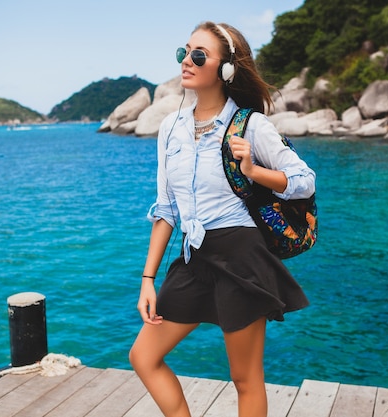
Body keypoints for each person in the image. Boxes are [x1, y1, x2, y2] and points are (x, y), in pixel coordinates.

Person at [128, 21, 316, 417]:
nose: (188, 61)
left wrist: (255, 171)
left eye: (200, 55)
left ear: (226, 69)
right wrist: (148, 279)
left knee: (245, 379)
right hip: (194, 257)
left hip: (241, 258)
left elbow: (303, 181)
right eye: (185, 52)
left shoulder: (251, 125)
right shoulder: (170, 129)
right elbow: (166, 208)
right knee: (144, 356)